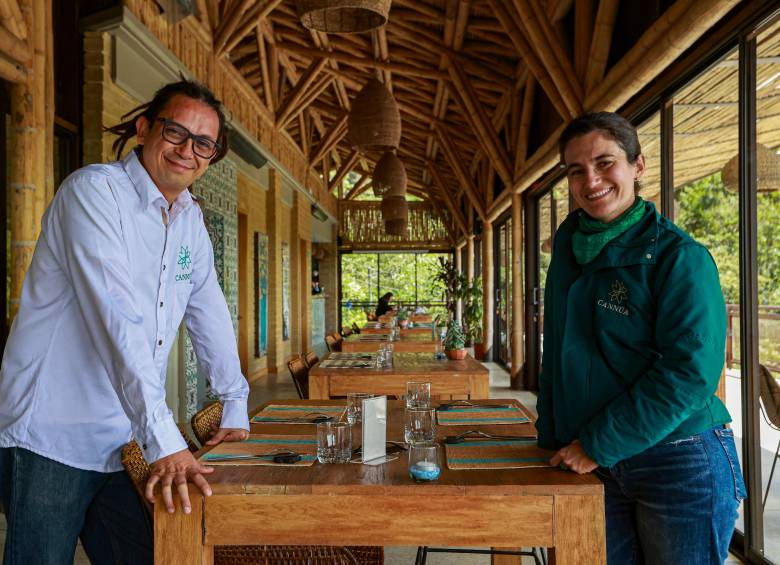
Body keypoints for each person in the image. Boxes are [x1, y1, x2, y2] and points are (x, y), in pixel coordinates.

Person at [0, 80, 250, 564]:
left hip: (122, 440)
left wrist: (235, 401)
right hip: (51, 436)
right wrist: (163, 437)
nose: (187, 150)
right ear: (144, 129)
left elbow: (208, 311)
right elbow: (117, 323)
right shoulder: (94, 193)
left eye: (203, 143)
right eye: (175, 132)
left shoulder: (189, 221)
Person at [536, 111, 746, 564]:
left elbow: (690, 373)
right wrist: (550, 439)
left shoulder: (679, 256)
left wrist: (595, 444)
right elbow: (556, 352)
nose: (591, 180)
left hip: (679, 460)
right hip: (593, 459)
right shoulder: (569, 253)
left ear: (638, 166)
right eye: (576, 171)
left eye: (605, 162)